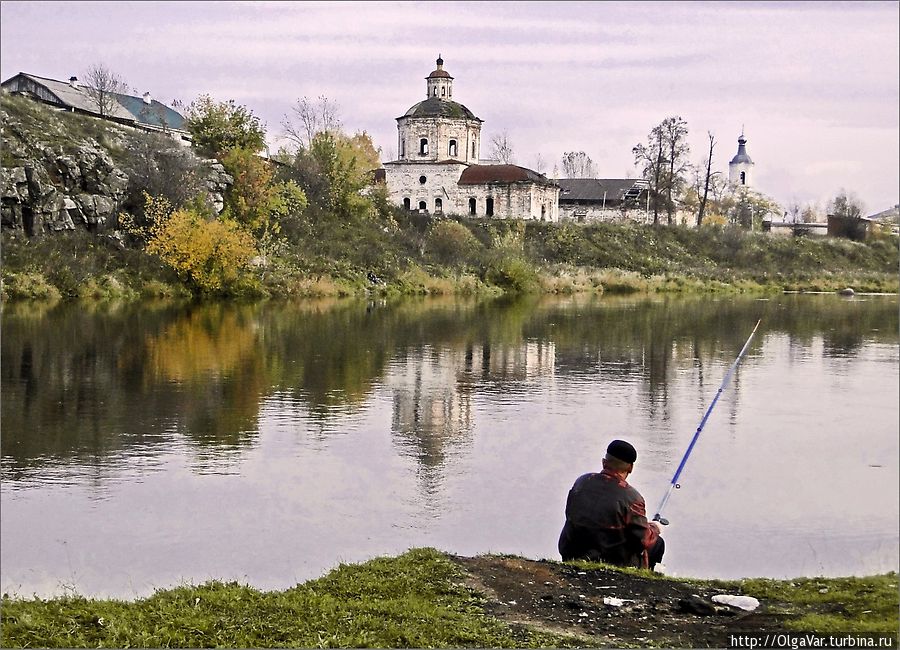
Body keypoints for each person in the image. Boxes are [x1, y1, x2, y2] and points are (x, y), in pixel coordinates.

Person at [558, 439, 665, 570]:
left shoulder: (581, 482)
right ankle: (645, 580)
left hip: (571, 552)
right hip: (611, 560)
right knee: (658, 543)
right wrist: (655, 528)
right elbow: (643, 540)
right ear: (630, 468)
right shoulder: (632, 497)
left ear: (604, 462)